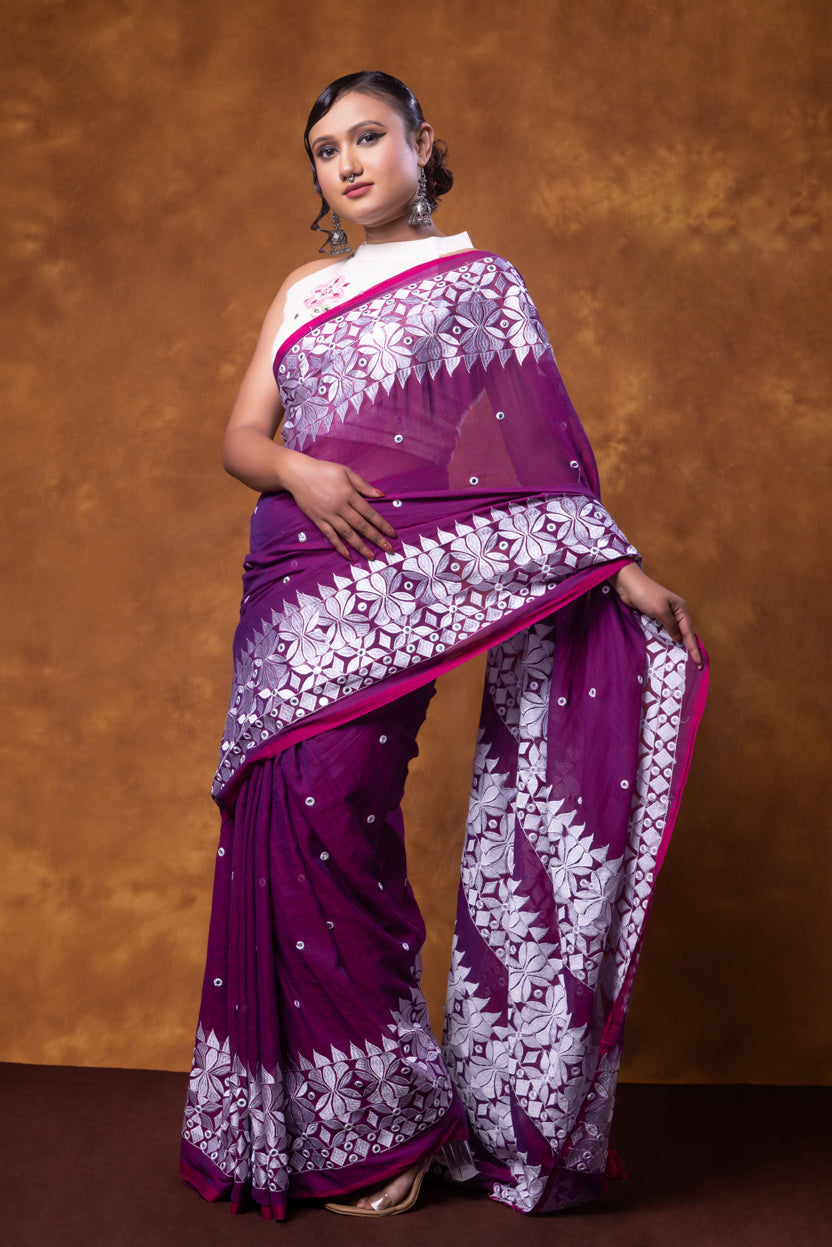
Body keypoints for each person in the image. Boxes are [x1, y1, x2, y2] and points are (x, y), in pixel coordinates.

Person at [179, 70, 708, 1222]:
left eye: (368, 137)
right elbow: (241, 437)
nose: (347, 163)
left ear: (422, 143)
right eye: (325, 150)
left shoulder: (481, 284)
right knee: (281, 825)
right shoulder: (303, 287)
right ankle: (314, 1128)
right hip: (291, 581)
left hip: (403, 587)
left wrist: (618, 568)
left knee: (341, 818)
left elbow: (538, 459)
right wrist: (301, 469)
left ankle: (392, 1123)